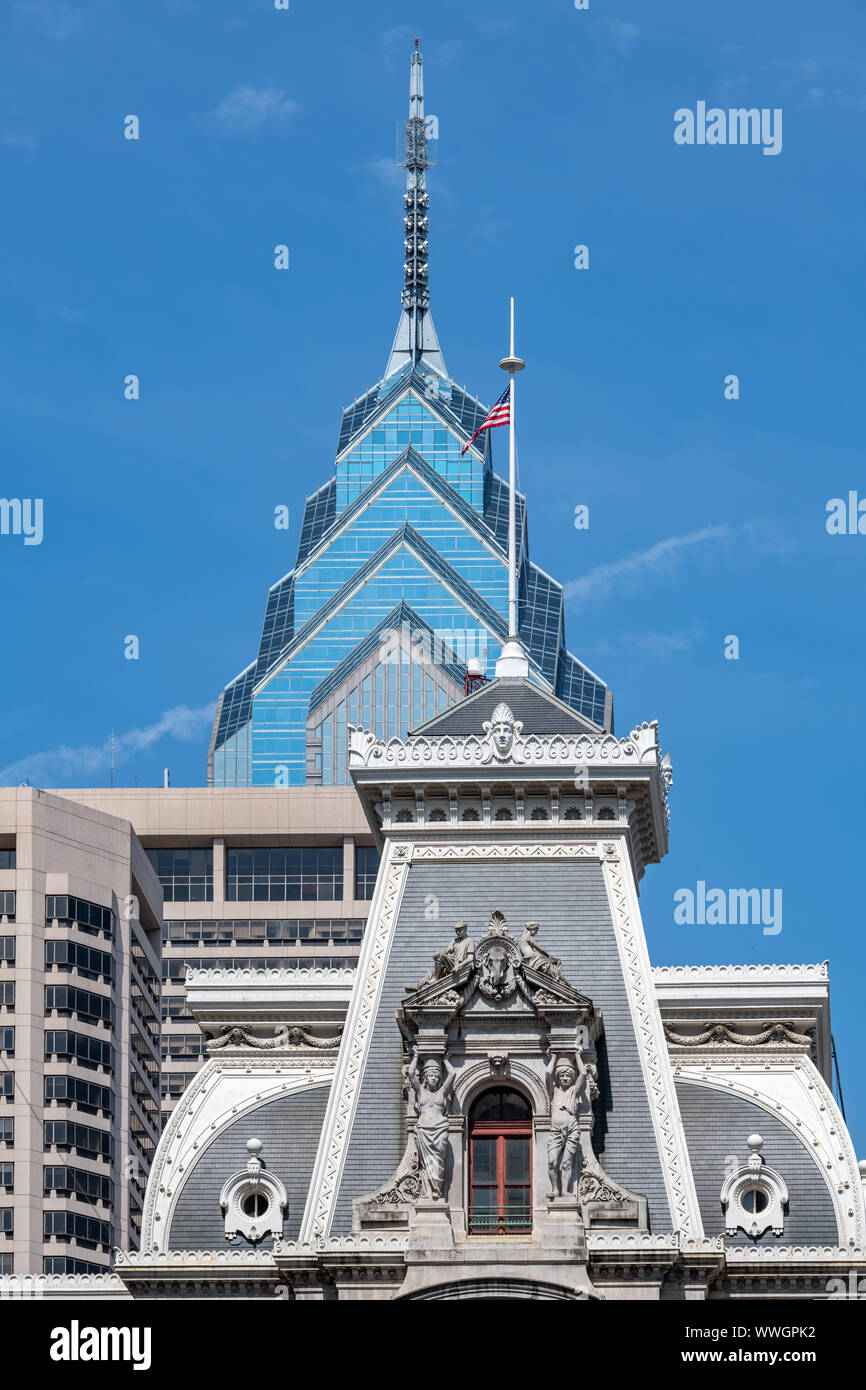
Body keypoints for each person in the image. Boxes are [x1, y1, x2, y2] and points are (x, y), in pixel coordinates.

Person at [408, 1046, 456, 1199]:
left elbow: (453, 1073)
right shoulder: (421, 1092)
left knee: (437, 1164)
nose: (434, 1078)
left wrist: (446, 1061)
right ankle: (429, 1192)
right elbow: (410, 1073)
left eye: (436, 1075)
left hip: (440, 1129)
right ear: (426, 1077)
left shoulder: (442, 1092)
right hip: (424, 1130)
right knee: (426, 1164)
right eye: (431, 1075)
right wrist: (415, 1056)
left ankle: (437, 1191)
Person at [545, 1049, 588, 1198]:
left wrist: (577, 1055)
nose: (564, 1078)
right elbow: (548, 1074)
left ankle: (564, 1191)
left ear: (571, 1078)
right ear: (558, 1077)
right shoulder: (553, 1090)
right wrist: (553, 1057)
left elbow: (583, 1074)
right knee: (552, 1162)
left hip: (572, 1129)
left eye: (568, 1076)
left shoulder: (573, 1091)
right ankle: (555, 1189)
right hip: (556, 1130)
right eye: (562, 1075)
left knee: (566, 1163)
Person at [407, 919, 475, 993]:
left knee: (440, 955)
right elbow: (446, 952)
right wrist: (438, 955)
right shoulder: (455, 941)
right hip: (452, 966)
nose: (457, 932)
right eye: (456, 931)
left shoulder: (469, 941)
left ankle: (435, 979)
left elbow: (470, 958)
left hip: (460, 968)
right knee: (432, 971)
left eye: (460, 930)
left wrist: (458, 966)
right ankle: (418, 986)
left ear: (465, 929)